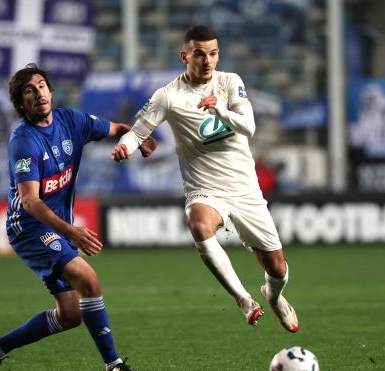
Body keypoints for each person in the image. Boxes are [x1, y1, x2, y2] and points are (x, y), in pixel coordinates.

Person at [0, 63, 156, 371]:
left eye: (42, 85)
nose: (38, 93)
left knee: (71, 314)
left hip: (56, 226)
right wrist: (72, 231)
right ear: (21, 104)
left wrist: (136, 139)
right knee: (89, 281)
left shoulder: (71, 121)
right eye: (29, 90)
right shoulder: (24, 141)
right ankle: (114, 366)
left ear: (51, 92)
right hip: (29, 228)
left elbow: (116, 128)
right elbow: (30, 201)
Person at [111, 25, 299, 333]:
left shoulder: (229, 83)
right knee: (197, 222)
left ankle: (273, 296)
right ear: (185, 56)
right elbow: (138, 132)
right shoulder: (168, 96)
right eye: (200, 54)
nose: (207, 60)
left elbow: (249, 127)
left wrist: (221, 109)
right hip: (205, 189)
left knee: (277, 269)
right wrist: (125, 147)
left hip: (245, 189)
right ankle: (243, 300)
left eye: (212, 53)